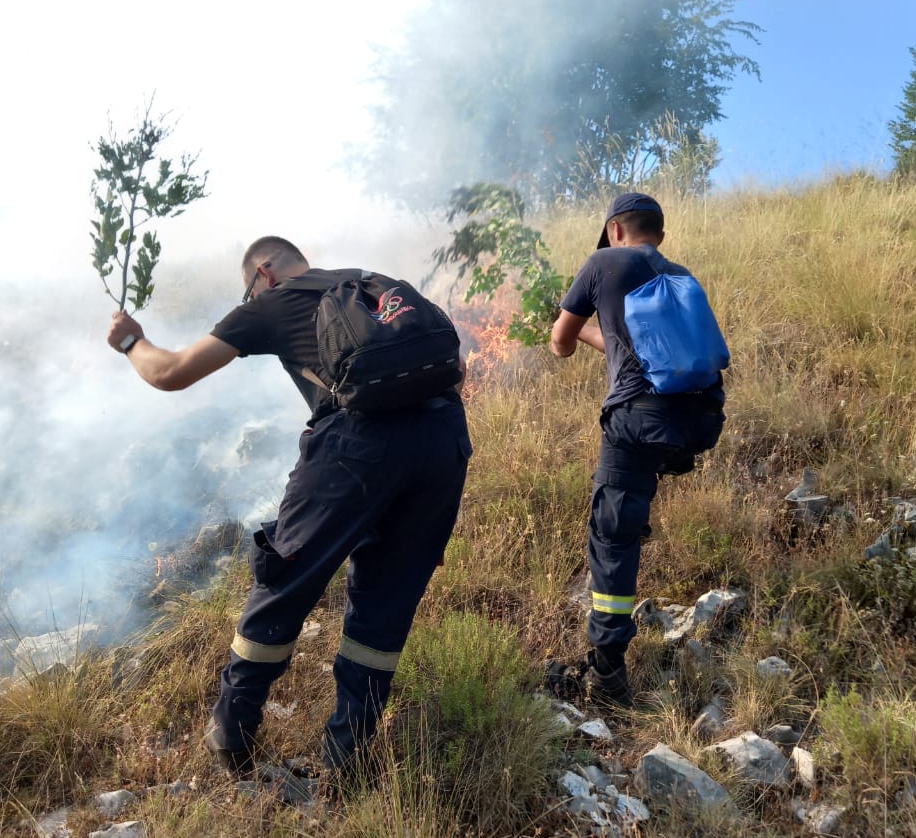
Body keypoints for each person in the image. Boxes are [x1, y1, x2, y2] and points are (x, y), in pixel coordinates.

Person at [106, 236, 471, 776]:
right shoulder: (374, 282)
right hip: (444, 441)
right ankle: (349, 757)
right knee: (386, 601)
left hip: (357, 445)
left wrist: (131, 340)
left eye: (248, 289)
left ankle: (232, 735)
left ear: (263, 272)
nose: (250, 297)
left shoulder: (275, 301)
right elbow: (449, 363)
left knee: (284, 576)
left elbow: (171, 372)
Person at [548, 193, 725, 706]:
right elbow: (649, 350)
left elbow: (559, 341)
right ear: (659, 235)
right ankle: (637, 505)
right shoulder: (678, 272)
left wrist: (573, 329)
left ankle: (606, 672)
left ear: (614, 230)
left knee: (613, 535)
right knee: (630, 501)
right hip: (699, 419)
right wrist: (601, 333)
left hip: (636, 420)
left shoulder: (603, 261)